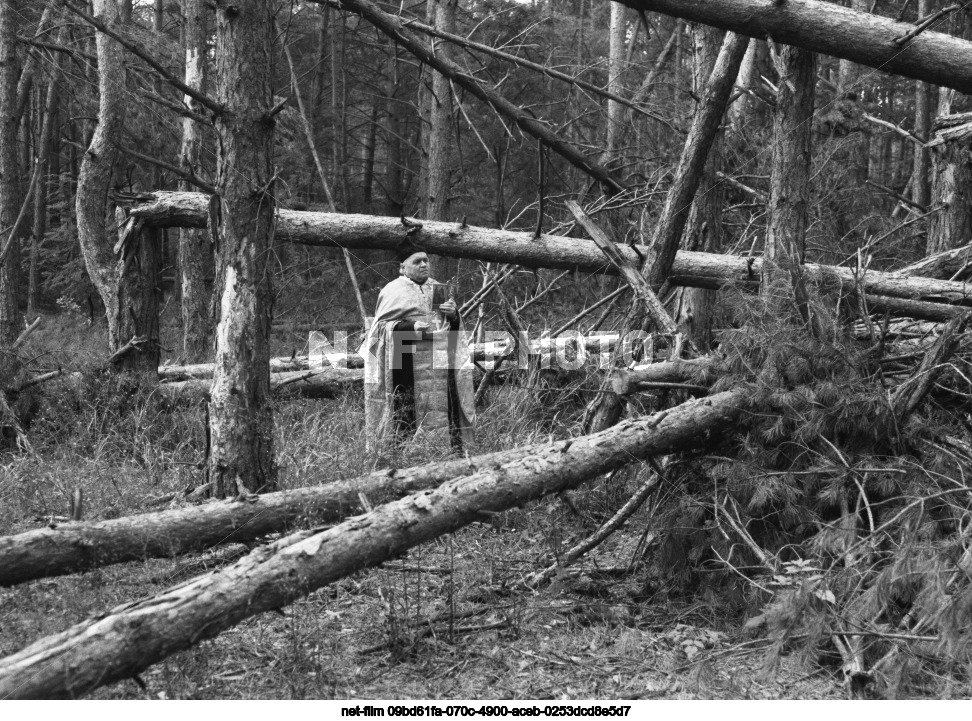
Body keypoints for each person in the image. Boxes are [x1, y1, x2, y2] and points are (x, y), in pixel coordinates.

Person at [364, 240, 475, 457]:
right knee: (405, 410)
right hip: (405, 361)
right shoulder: (392, 291)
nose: (424, 264)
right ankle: (406, 457)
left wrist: (454, 316)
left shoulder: (439, 288)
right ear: (402, 267)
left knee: (445, 407)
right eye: (417, 261)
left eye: (426, 260)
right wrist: (410, 327)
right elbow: (378, 330)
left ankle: (449, 456)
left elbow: (453, 331)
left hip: (439, 362)